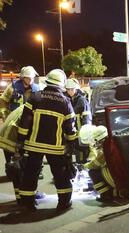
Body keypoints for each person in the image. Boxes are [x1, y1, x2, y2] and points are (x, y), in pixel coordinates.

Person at [16, 69, 78, 212]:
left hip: (33, 145)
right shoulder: (65, 102)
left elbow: (24, 123)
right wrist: (72, 142)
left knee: (30, 174)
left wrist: (21, 142)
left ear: (48, 82)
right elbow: (70, 127)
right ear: (61, 84)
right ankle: (63, 203)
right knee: (61, 175)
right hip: (55, 147)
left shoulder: (34, 98)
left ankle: (28, 204)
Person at [0, 66, 40, 167]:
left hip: (30, 121)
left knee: (31, 145)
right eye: (28, 78)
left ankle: (33, 167)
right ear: (22, 77)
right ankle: (11, 165)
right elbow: (3, 101)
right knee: (10, 143)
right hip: (14, 121)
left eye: (32, 78)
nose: (30, 80)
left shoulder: (37, 88)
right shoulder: (12, 87)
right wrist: (5, 116)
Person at [79, 124, 116, 202]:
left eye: (97, 141)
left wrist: (84, 166)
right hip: (120, 172)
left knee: (93, 172)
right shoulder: (113, 141)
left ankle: (106, 195)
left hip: (115, 176)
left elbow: (95, 165)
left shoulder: (105, 149)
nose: (96, 143)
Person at [64, 78, 92, 163]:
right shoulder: (66, 99)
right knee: (68, 152)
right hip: (69, 132)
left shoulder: (82, 100)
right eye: (68, 89)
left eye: (72, 89)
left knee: (80, 153)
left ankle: (81, 168)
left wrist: (85, 133)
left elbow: (87, 118)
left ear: (76, 88)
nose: (70, 91)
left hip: (79, 132)